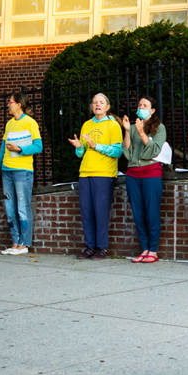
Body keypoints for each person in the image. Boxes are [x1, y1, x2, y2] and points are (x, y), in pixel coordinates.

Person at [68, 93, 122, 259]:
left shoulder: (113, 125)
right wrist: (78, 147)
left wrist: (95, 145)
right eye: (95, 102)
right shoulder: (87, 125)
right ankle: (89, 246)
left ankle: (102, 247)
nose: (98, 105)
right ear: (91, 106)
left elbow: (117, 151)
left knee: (100, 211)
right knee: (86, 211)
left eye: (101, 102)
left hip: (103, 174)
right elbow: (81, 153)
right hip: (85, 173)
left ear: (107, 106)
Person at [0, 92, 42, 255]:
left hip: (23, 171)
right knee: (9, 208)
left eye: (10, 102)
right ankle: (15, 242)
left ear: (19, 104)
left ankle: (24, 244)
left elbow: (38, 147)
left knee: (22, 207)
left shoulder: (30, 123)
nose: (8, 104)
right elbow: (3, 147)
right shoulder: (9, 124)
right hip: (7, 171)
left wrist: (20, 149)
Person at [122, 95, 167, 263]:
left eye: (145, 105)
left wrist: (141, 132)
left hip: (151, 172)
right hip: (133, 173)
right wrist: (127, 130)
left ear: (152, 110)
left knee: (151, 211)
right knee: (138, 212)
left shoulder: (159, 127)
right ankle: (145, 248)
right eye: (139, 104)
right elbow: (127, 152)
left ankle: (153, 250)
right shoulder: (133, 127)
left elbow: (154, 150)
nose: (141, 107)